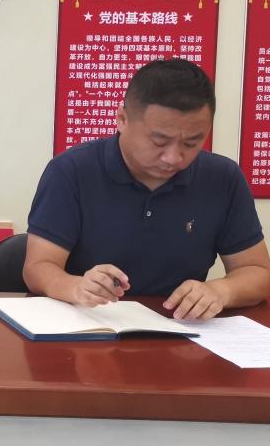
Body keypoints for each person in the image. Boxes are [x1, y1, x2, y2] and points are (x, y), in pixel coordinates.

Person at [24, 58, 270, 320]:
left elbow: (257, 272)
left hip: (181, 328)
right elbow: (38, 267)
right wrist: (76, 287)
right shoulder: (71, 171)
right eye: (159, 141)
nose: (174, 157)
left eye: (192, 142)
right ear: (122, 119)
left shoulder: (223, 178)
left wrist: (220, 290)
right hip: (90, 323)